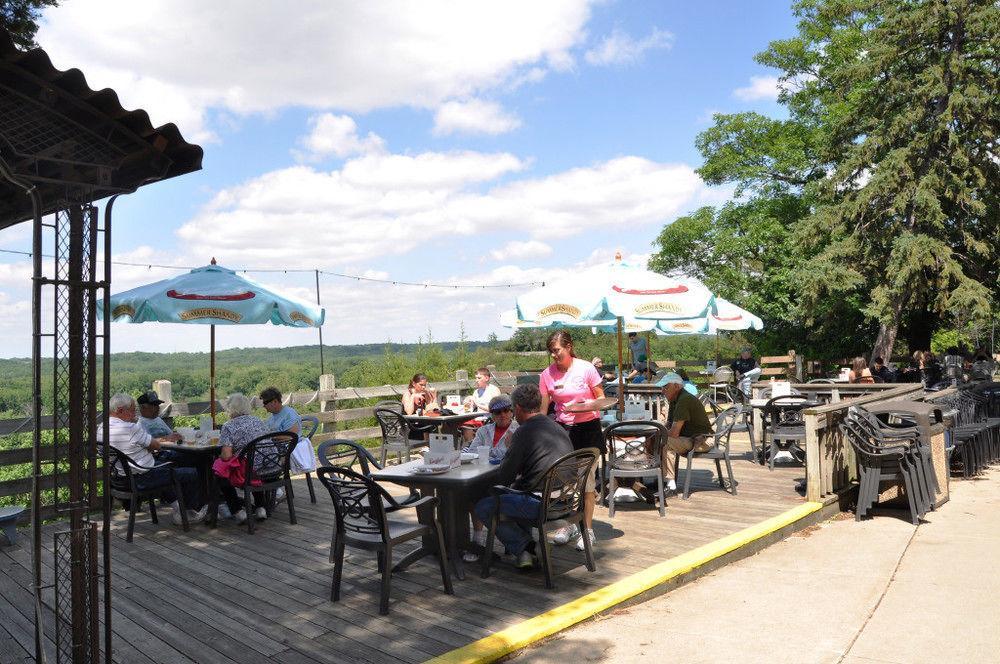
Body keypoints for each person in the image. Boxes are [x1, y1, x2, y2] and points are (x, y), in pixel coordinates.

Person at [473, 384, 573, 569]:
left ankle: (528, 547)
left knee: (483, 506)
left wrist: (512, 448)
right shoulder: (555, 426)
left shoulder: (524, 431)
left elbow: (505, 476)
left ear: (517, 408)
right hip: (567, 500)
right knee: (516, 493)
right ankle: (525, 554)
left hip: (542, 504)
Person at [538, 330, 604, 552]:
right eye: (551, 352)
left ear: (568, 347)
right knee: (565, 481)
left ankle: (588, 529)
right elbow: (543, 409)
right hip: (563, 430)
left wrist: (588, 404)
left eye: (557, 350)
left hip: (588, 428)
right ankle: (568, 525)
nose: (554, 355)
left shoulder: (586, 368)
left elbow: (602, 398)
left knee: (587, 481)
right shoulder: (547, 374)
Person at [100, 393, 205, 526]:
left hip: (119, 479)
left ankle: (179, 508)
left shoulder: (101, 429)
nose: (134, 415)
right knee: (190, 473)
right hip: (142, 477)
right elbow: (155, 446)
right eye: (132, 411)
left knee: (167, 466)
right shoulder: (130, 428)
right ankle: (189, 512)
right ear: (120, 410)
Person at [462, 394, 519, 560]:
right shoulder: (483, 430)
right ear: (491, 415)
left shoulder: (518, 430)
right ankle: (476, 539)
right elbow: (472, 452)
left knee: (477, 493)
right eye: (497, 412)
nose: (502, 415)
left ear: (512, 412)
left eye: (506, 410)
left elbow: (516, 460)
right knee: (469, 491)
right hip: (483, 475)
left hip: (509, 478)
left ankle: (478, 541)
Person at [643, 373, 714, 502]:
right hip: (689, 437)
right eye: (662, 388)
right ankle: (660, 478)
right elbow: (669, 424)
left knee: (666, 442)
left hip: (702, 440)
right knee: (653, 439)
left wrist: (657, 431)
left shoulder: (684, 400)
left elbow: (674, 433)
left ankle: (671, 486)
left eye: (665, 387)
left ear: (676, 386)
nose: (662, 390)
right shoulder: (674, 399)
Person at [215, 393, 276, 523]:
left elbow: (226, 456)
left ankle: (237, 511)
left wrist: (219, 456)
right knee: (251, 462)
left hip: (251, 471)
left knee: (220, 472)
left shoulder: (229, 426)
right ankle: (260, 508)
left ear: (231, 408)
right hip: (272, 466)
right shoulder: (258, 420)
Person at [461, 367, 502, 442]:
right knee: (460, 424)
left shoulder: (494, 390)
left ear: (486, 378)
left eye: (479, 378)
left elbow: (496, 408)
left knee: (466, 426)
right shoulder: (476, 391)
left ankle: (470, 446)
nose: (477, 380)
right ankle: (470, 446)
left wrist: (477, 404)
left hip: (489, 420)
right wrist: (468, 402)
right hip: (477, 418)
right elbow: (471, 407)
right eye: (476, 378)